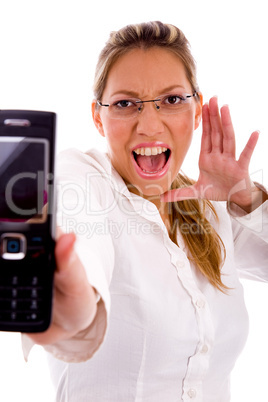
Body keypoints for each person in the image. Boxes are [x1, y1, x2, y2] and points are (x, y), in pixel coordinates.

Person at [23, 21, 268, 401]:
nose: (150, 125)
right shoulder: (83, 180)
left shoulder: (211, 204)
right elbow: (81, 240)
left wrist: (244, 199)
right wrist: (73, 303)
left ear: (197, 111)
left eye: (172, 100)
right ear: (97, 117)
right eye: (125, 104)